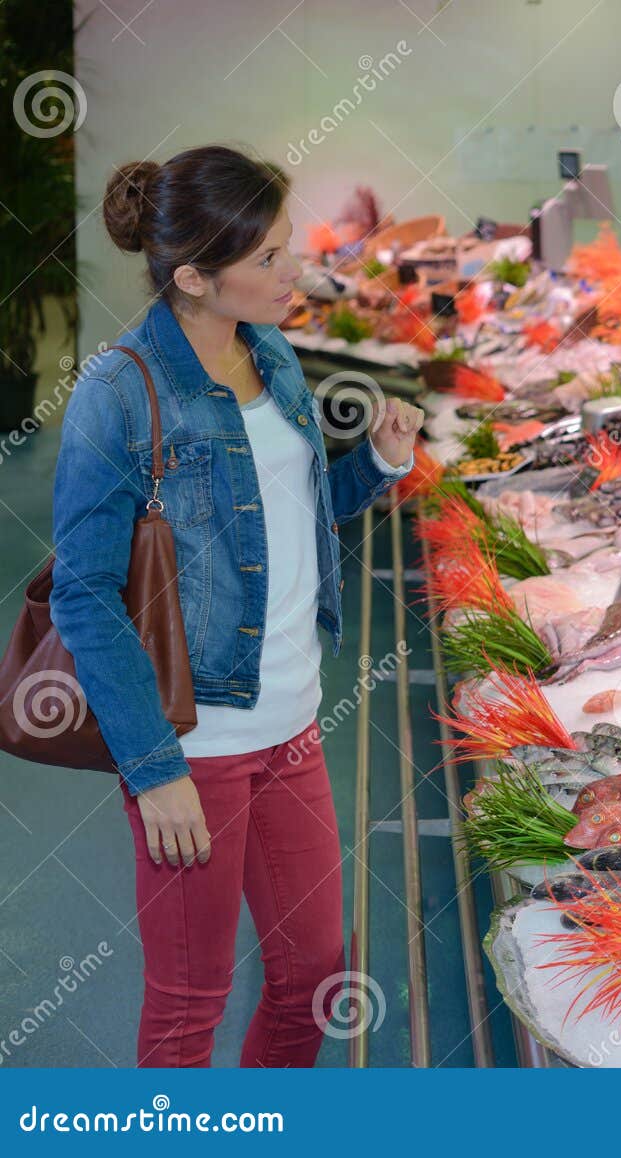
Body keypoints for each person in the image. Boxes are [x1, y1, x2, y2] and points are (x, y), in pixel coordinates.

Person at [50, 145, 424, 1066]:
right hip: (196, 748)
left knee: (313, 974)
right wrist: (153, 768)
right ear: (192, 277)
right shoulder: (118, 392)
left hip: (293, 729)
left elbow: (285, 530)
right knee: (189, 1006)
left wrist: (374, 465)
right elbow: (86, 593)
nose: (293, 272)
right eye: (266, 260)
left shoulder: (274, 356)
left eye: (285, 248)